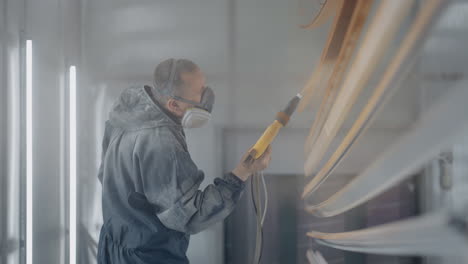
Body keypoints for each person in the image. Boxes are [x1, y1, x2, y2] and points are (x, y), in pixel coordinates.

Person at [97, 58, 272, 263]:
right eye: (200, 94)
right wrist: (242, 172)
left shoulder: (127, 115)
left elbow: (105, 176)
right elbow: (189, 215)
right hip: (148, 257)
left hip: (113, 249)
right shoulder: (160, 142)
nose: (207, 99)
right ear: (174, 104)